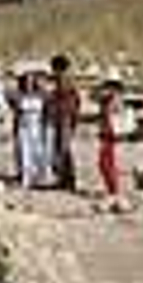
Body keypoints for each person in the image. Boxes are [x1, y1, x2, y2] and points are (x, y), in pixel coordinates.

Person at [47, 54, 82, 191]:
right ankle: (66, 178)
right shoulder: (67, 80)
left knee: (63, 149)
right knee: (63, 148)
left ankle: (67, 179)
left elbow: (67, 100)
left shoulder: (64, 80)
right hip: (65, 117)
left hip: (64, 117)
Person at [13, 70, 50, 189]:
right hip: (24, 126)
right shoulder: (19, 96)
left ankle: (39, 175)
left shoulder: (41, 95)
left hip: (37, 125)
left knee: (38, 151)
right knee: (25, 151)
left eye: (31, 81)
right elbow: (17, 113)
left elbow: (46, 112)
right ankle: (26, 177)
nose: (29, 84)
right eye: (26, 81)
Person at [97, 72, 125, 198]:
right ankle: (112, 188)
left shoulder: (114, 99)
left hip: (110, 132)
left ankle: (113, 189)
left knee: (106, 162)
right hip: (107, 131)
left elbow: (114, 115)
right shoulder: (108, 99)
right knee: (106, 162)